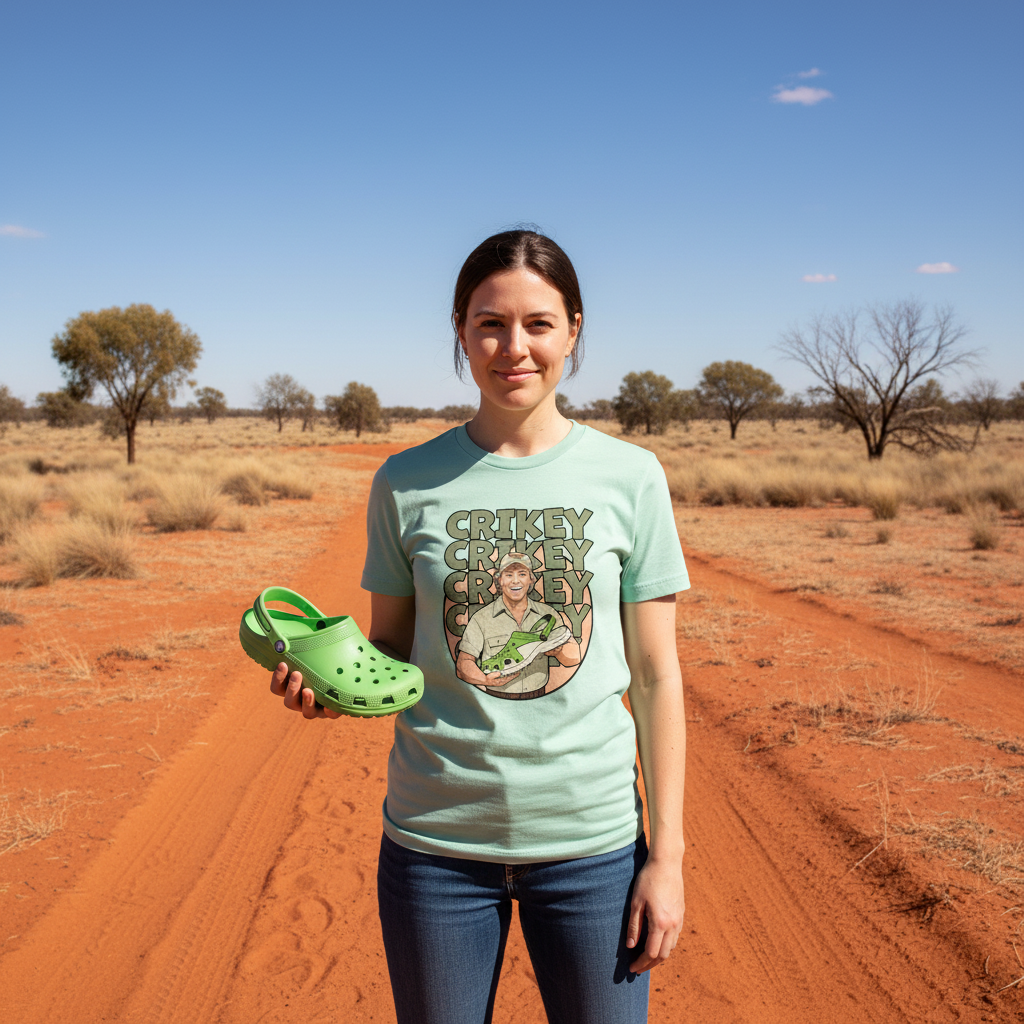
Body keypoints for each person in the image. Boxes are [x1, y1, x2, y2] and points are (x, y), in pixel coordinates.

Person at [270, 229, 688, 1024]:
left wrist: (664, 858)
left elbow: (659, 676)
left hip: (592, 846)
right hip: (436, 848)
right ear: (461, 331)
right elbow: (390, 653)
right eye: (490, 323)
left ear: (573, 330)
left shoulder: (631, 477)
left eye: (538, 323)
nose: (513, 347)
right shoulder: (405, 481)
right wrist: (327, 685)